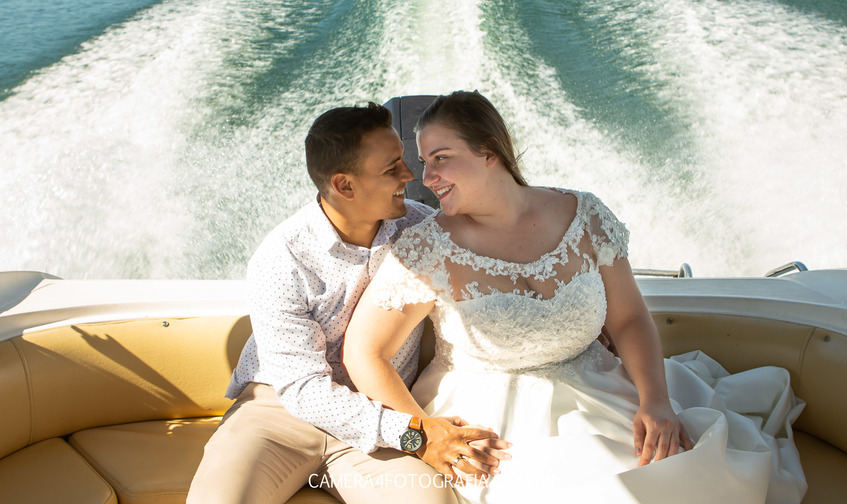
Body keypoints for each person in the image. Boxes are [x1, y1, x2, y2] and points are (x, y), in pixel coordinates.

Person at [342, 91, 807, 503]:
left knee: (680, 472)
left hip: (603, 385)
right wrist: (425, 433)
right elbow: (364, 353)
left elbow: (628, 320)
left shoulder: (585, 216)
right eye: (424, 162)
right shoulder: (427, 248)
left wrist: (656, 402)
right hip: (493, 418)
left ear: (489, 152)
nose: (428, 176)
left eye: (440, 158)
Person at [188, 102, 510, 504]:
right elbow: (304, 390)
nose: (410, 175)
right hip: (280, 414)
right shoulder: (281, 258)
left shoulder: (422, 228)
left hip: (382, 413)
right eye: (392, 168)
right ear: (344, 186)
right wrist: (417, 434)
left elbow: (497, 264)